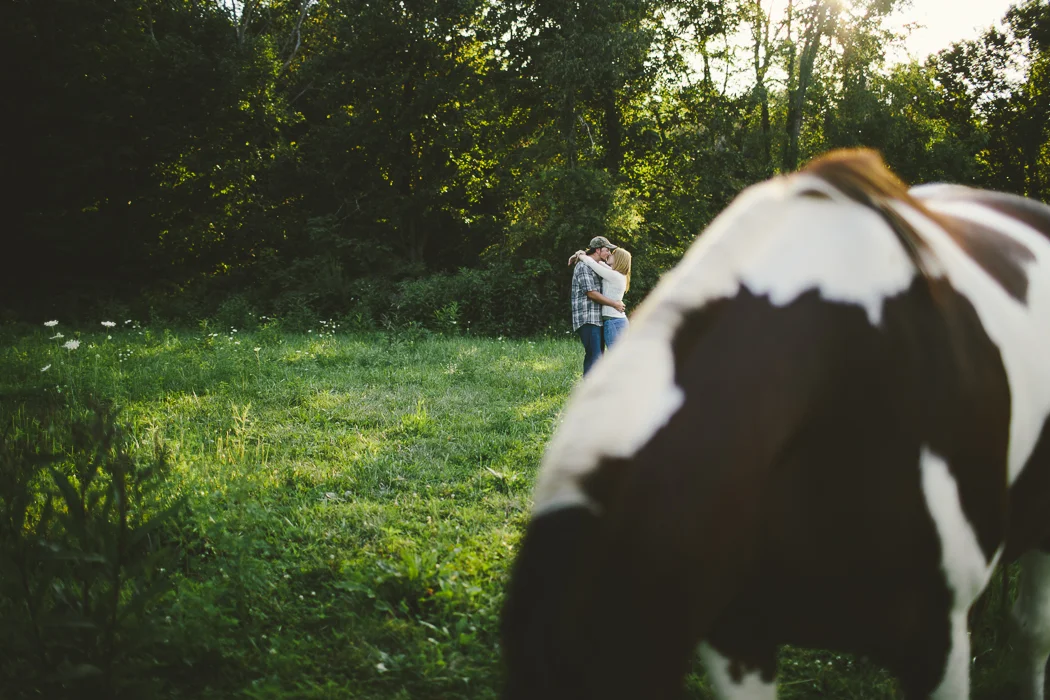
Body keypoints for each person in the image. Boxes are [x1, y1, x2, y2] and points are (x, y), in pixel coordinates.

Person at [570, 235, 626, 375]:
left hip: (597, 319)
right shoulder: (583, 267)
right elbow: (591, 293)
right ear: (597, 250)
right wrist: (615, 304)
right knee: (594, 357)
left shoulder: (595, 266)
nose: (609, 253)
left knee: (599, 358)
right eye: (607, 250)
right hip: (587, 318)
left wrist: (579, 253)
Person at [570, 245, 632, 350]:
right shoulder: (616, 274)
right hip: (616, 320)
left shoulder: (614, 275)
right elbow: (598, 263)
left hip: (613, 321)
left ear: (618, 259)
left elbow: (592, 263)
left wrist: (580, 254)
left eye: (613, 254)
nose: (609, 254)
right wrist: (579, 253)